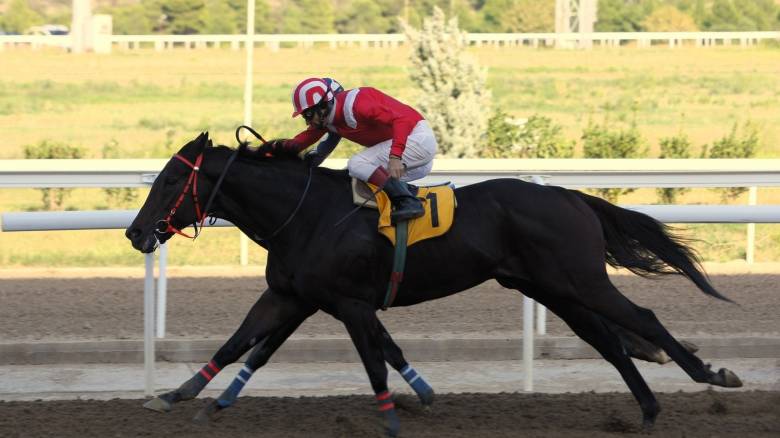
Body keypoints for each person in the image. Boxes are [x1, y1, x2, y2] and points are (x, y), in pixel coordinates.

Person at [270, 77, 438, 223]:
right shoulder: (326, 119)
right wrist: (266, 152)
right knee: (351, 179)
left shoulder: (359, 103)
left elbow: (401, 120)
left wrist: (395, 156)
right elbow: (299, 142)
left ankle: (409, 202)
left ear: (322, 106)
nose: (307, 122)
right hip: (413, 153)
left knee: (357, 163)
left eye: (307, 115)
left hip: (418, 139)